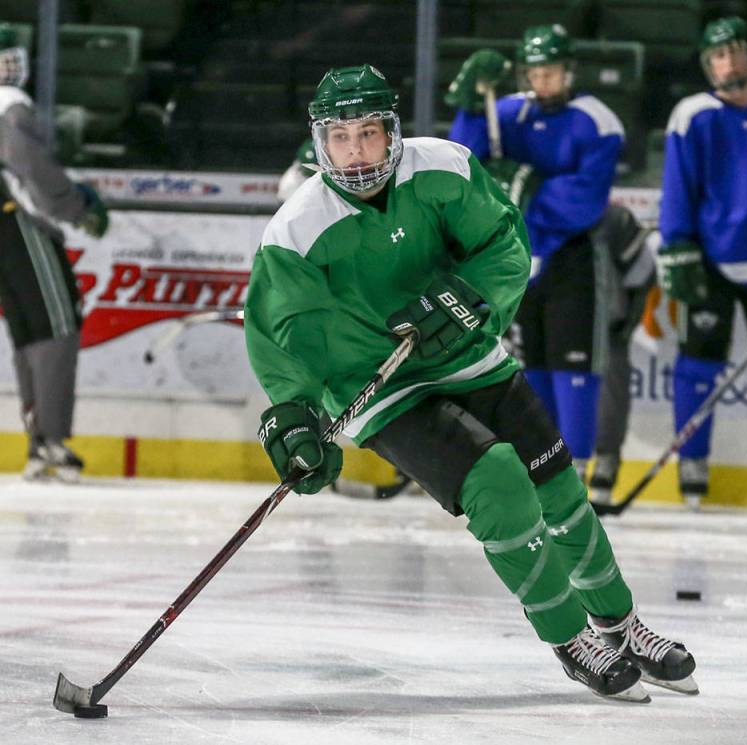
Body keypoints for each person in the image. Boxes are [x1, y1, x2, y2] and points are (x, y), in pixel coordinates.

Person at [244, 65, 697, 701]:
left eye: (368, 133)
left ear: (392, 132)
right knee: (499, 484)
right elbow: (280, 334)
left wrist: (466, 296)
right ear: (320, 142)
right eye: (341, 137)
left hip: (469, 358)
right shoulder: (297, 228)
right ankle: (570, 638)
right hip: (383, 389)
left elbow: (506, 244)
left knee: (560, 492)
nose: (355, 151)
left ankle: (621, 626)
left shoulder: (443, 168)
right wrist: (292, 415)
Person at [446, 24, 624, 477]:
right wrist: (469, 105)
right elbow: (463, 161)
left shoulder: (596, 120)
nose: (542, 80)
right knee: (530, 369)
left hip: (570, 257)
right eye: (535, 72)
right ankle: (539, 465)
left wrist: (524, 189)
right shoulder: (505, 112)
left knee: (574, 365)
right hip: (511, 260)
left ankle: (579, 466)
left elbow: (585, 199)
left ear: (569, 71)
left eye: (552, 71)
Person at [657, 17, 747, 509]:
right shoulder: (692, 115)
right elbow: (679, 188)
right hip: (714, 263)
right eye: (718, 55)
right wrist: (678, 247)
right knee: (697, 368)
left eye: (736, 52)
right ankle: (693, 467)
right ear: (707, 65)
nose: (728, 62)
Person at [0, 23, 108, 481]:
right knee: (57, 324)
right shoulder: (11, 108)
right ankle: (50, 441)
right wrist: (78, 206)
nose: (10, 67)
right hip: (19, 224)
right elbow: (32, 171)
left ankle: (38, 440)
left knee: (29, 330)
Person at [587, 204, 656, 505]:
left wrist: (627, 323)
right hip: (552, 327)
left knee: (611, 387)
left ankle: (606, 460)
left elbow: (644, 273)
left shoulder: (613, 218)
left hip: (605, 327)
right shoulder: (532, 209)